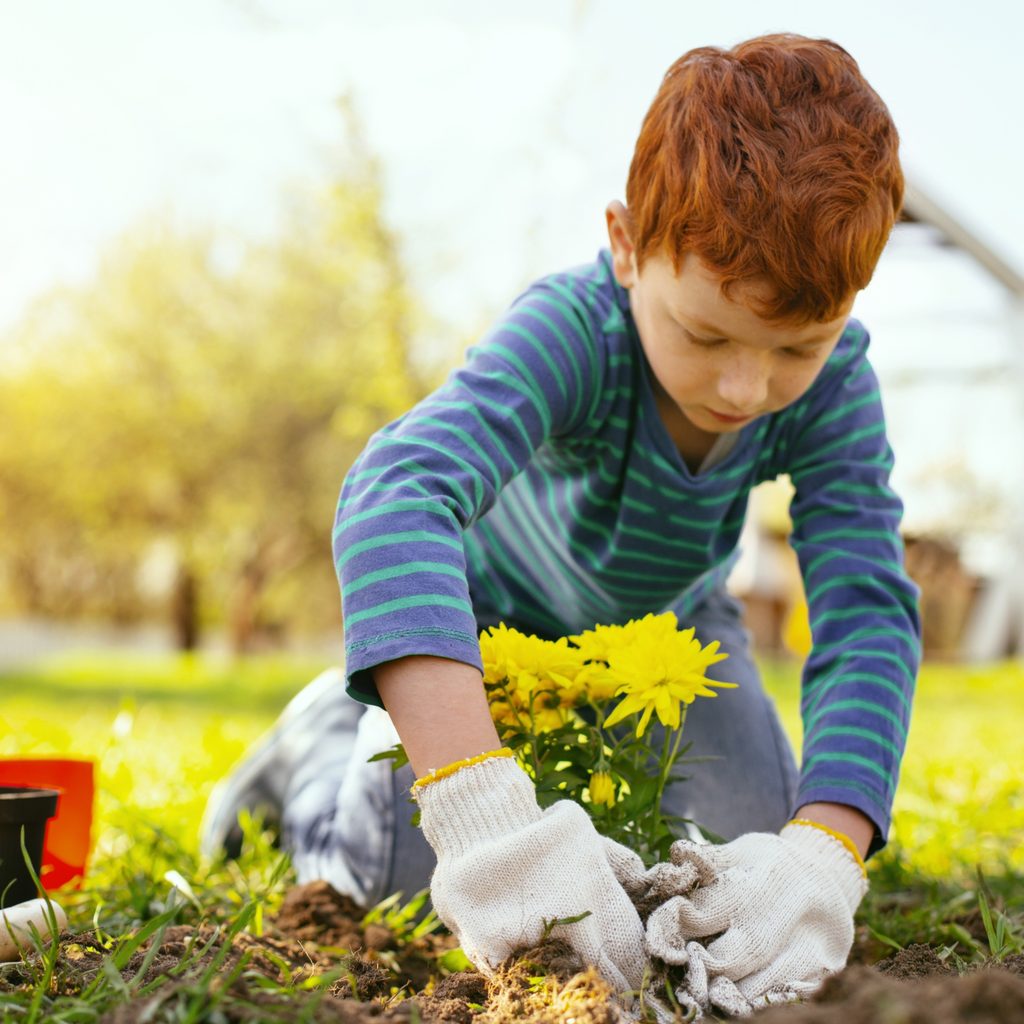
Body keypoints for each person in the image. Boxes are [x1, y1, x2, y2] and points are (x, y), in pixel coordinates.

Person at [202, 32, 920, 1015]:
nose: (746, 387)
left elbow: (866, 610)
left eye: (793, 347)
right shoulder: (575, 332)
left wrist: (824, 856)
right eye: (705, 333)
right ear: (627, 247)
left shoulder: (834, 384)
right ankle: (319, 744)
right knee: (404, 874)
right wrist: (485, 820)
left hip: (662, 632)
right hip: (485, 623)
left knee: (744, 845)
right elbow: (396, 492)